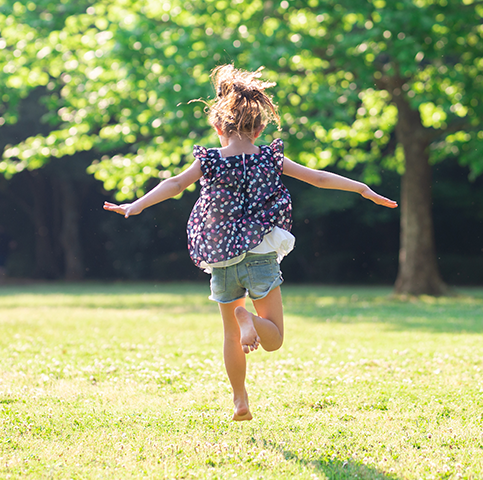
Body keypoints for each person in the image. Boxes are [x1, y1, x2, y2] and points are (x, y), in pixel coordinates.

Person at [103, 64, 397, 421]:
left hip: (222, 256)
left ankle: (240, 400)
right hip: (259, 252)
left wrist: (137, 204)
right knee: (273, 338)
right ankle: (250, 318)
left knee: (230, 335)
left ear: (218, 127)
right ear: (260, 128)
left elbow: (175, 184)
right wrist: (362, 188)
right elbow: (318, 178)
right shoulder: (270, 158)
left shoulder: (209, 160)